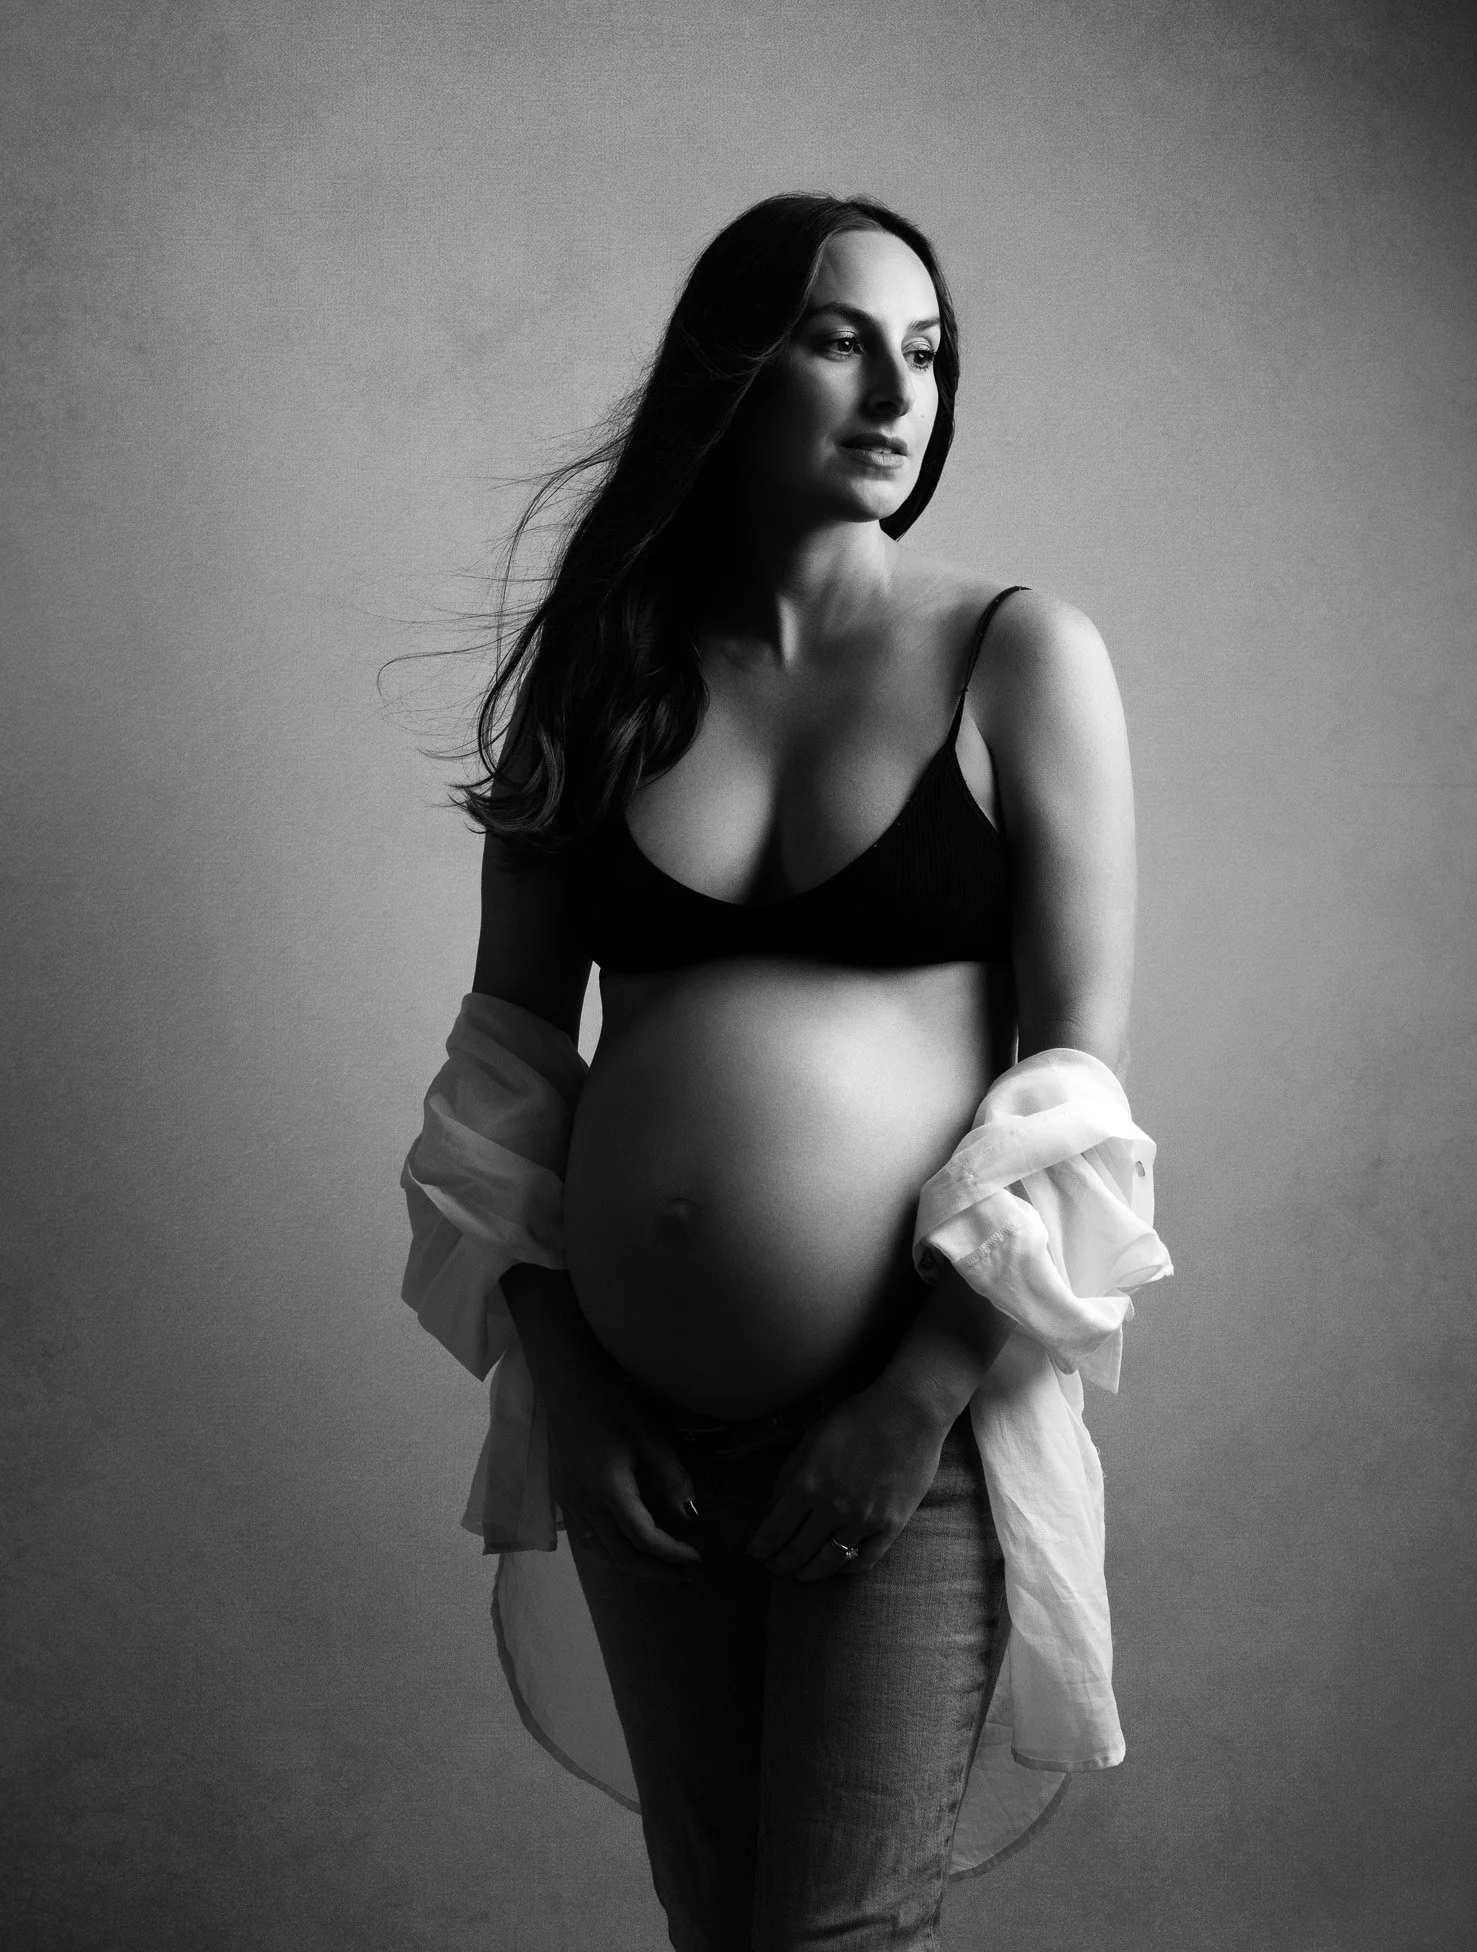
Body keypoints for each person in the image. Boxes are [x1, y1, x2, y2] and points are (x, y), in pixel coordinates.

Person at [399, 193, 1173, 1951]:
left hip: (911, 1420)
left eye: (927, 352)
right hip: (638, 1437)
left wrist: (912, 1402)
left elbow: (1078, 1085)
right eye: (840, 340)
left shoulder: (1015, 655)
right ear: (730, 375)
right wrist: (572, 1385)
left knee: (832, 1936)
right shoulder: (600, 687)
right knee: (722, 1921)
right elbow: (507, 1072)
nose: (896, 391)